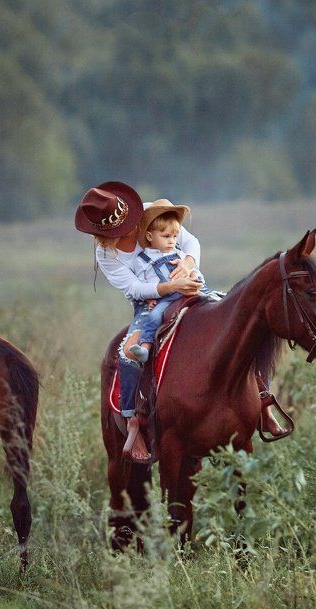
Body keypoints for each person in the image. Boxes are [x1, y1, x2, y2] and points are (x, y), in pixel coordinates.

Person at [75, 183, 202, 464]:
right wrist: (167, 287)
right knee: (126, 357)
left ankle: (261, 400)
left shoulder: (151, 213)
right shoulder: (106, 253)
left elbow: (189, 241)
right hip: (149, 301)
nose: (130, 231)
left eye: (131, 225)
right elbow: (132, 287)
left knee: (229, 315)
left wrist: (189, 264)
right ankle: (133, 419)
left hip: (185, 284)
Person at [123, 200, 211, 363]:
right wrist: (148, 298)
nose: (172, 241)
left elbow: (192, 272)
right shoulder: (141, 261)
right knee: (154, 317)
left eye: (174, 236)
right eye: (166, 236)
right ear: (150, 236)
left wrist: (192, 276)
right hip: (164, 298)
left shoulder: (179, 254)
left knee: (214, 304)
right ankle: (145, 347)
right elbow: (141, 285)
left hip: (187, 291)